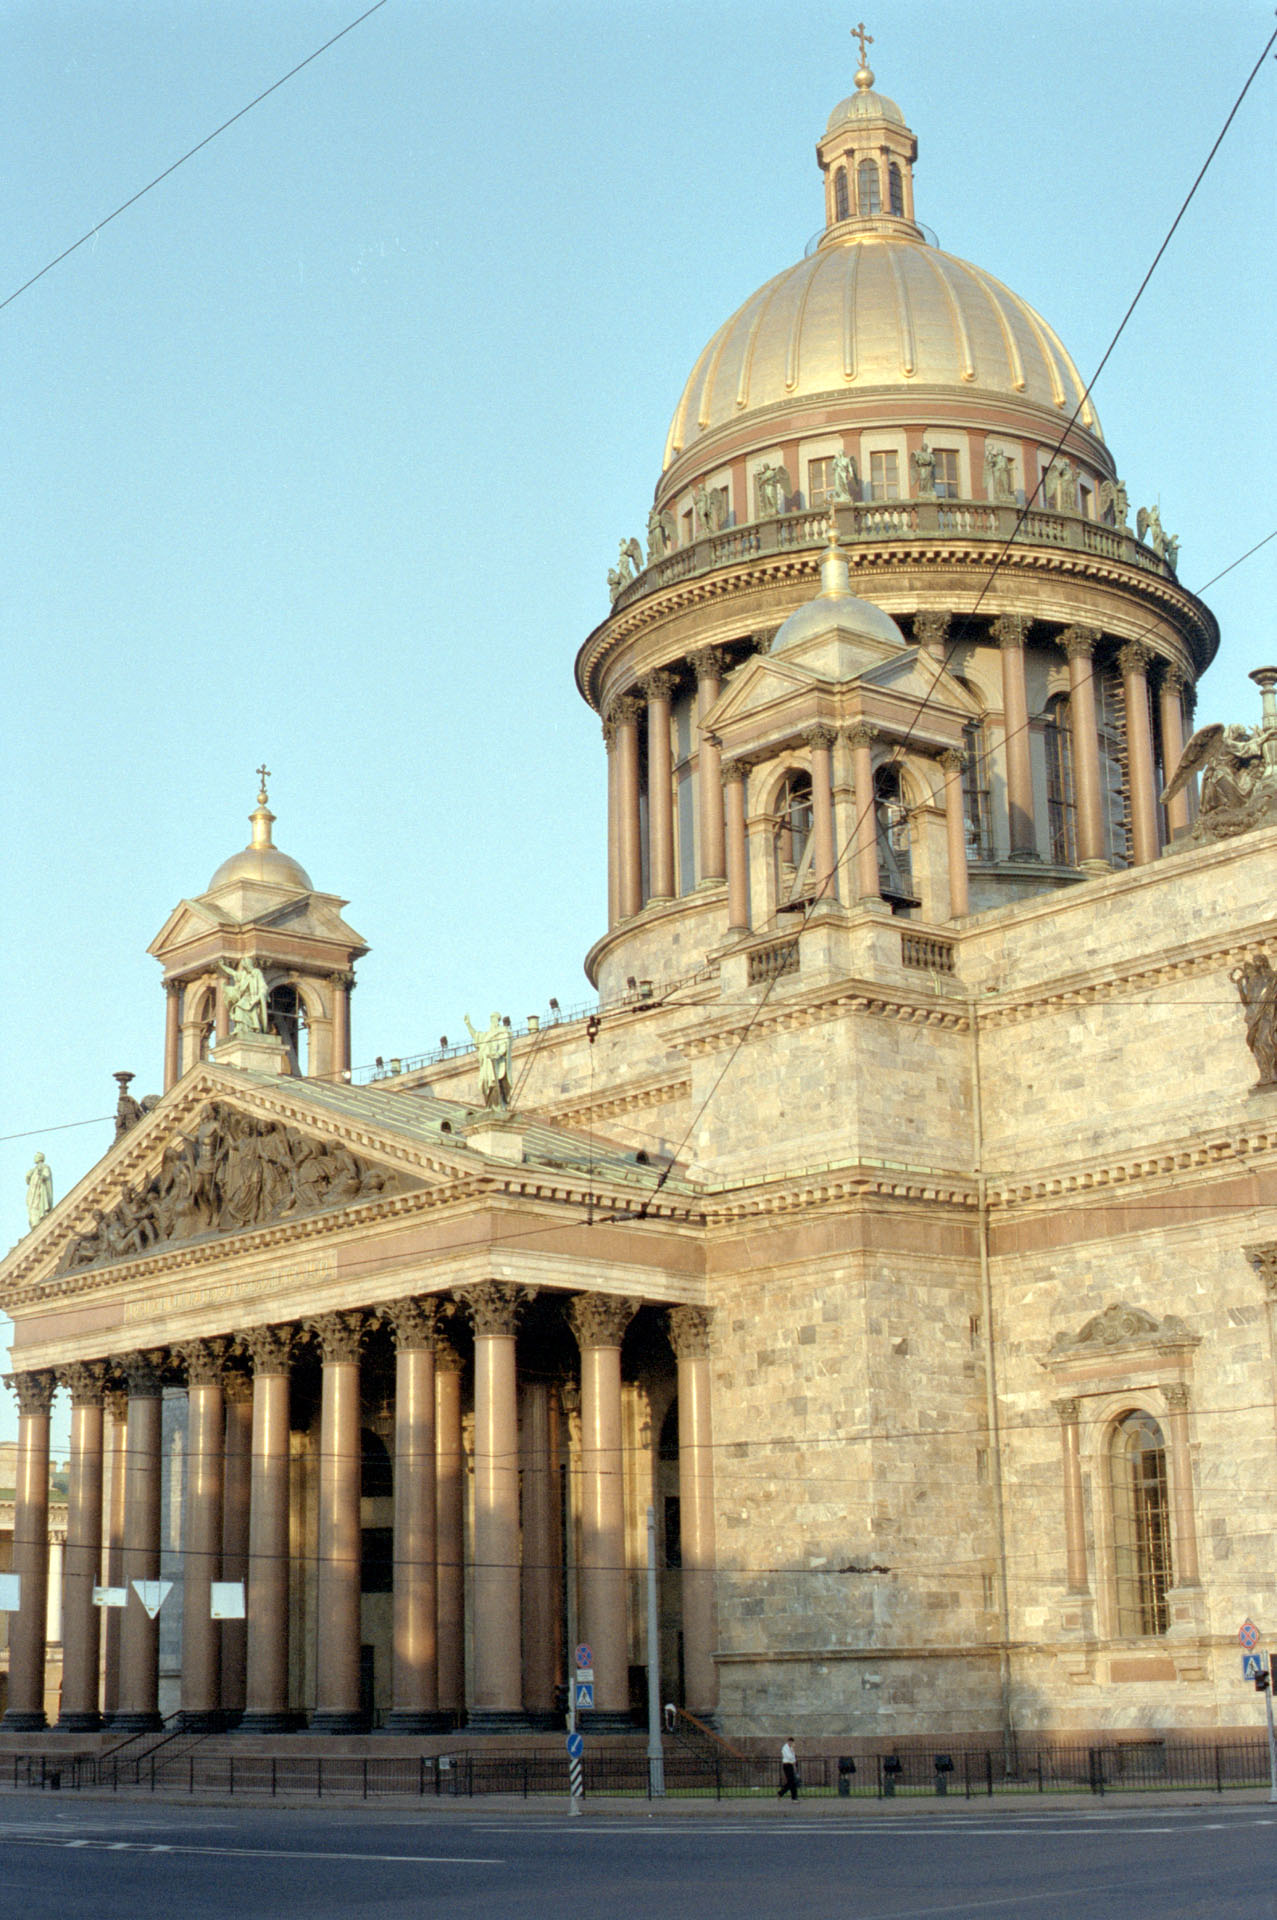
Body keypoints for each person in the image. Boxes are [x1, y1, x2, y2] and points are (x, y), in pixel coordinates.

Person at [25, 1152, 53, 1229]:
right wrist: (28, 1176)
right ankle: (34, 1223)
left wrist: (41, 1175)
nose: (35, 1158)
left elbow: (46, 1177)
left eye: (36, 1156)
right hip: (32, 1192)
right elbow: (27, 1181)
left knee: (37, 1205)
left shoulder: (44, 1167)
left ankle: (38, 1222)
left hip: (39, 1192)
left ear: (40, 1158)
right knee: (32, 1206)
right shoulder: (33, 1170)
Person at [777, 1735, 799, 1800]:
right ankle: (782, 1793)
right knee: (791, 1781)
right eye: (790, 1742)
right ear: (788, 1742)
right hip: (786, 1765)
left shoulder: (791, 1748)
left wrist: (794, 1764)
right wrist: (792, 1752)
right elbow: (789, 1756)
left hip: (790, 1765)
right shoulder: (785, 1748)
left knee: (792, 1782)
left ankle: (782, 1794)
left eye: (792, 1743)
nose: (791, 1744)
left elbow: (793, 1758)